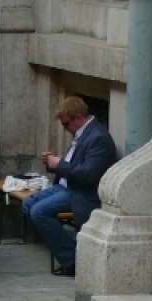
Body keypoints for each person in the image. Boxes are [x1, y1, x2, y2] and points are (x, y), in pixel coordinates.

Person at [24, 96, 118, 277]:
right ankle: (71, 252)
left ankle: (73, 260)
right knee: (28, 204)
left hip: (81, 192)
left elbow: (88, 174)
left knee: (39, 212)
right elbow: (72, 164)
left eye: (66, 124)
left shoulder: (98, 137)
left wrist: (59, 164)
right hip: (66, 186)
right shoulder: (82, 133)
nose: (65, 129)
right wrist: (52, 163)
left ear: (78, 118)